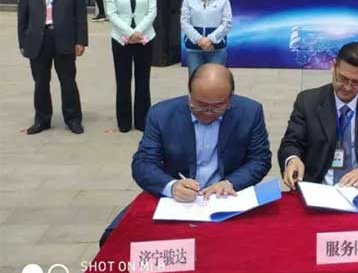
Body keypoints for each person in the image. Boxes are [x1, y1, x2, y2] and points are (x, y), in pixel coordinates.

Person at [97, 64, 272, 247]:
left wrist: (230, 183)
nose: (208, 113)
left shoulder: (250, 112)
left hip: (227, 200)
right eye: (200, 105)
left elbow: (260, 159)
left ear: (230, 98)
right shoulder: (162, 114)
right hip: (174, 201)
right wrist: (171, 186)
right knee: (115, 239)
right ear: (189, 94)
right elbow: (143, 163)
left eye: (218, 107)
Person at [278, 42, 358, 189]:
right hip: (317, 187)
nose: (348, 87)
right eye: (342, 78)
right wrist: (292, 159)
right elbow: (292, 142)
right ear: (333, 66)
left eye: (357, 82)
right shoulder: (308, 101)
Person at [17, 0, 88, 135]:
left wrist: (81, 41)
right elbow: (22, 18)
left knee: (68, 81)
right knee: (40, 82)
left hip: (65, 39)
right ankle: (42, 120)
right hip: (38, 40)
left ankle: (73, 119)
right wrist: (22, 43)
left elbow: (81, 16)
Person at [105, 0, 157, 133]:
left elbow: (152, 12)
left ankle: (142, 120)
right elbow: (111, 14)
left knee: (143, 80)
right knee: (123, 80)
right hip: (121, 40)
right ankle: (124, 122)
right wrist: (129, 33)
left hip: (145, 39)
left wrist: (138, 32)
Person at [180, 0, 232, 76]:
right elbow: (184, 22)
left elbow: (226, 23)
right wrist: (199, 40)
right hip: (194, 49)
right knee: (195, 79)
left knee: (215, 80)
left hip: (217, 49)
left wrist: (210, 39)